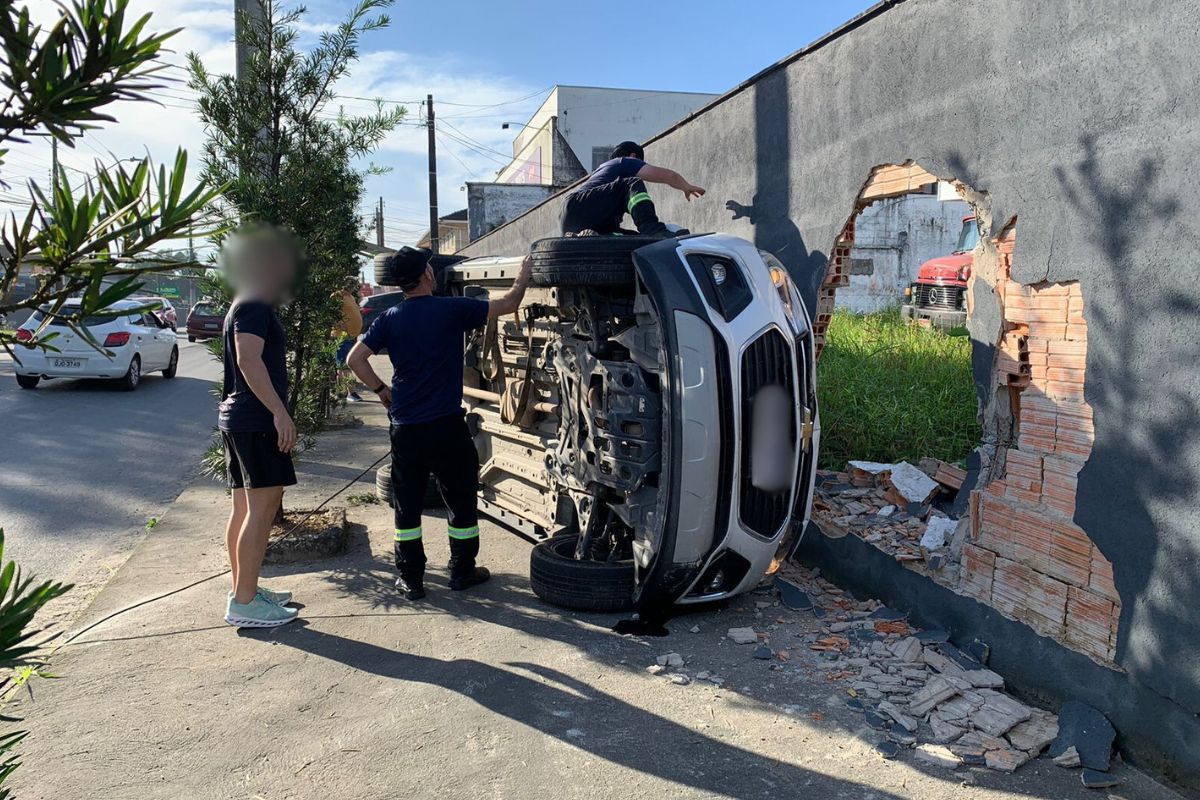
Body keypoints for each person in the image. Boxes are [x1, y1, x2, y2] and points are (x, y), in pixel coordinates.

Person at [347, 246, 533, 600]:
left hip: (406, 429)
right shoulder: (452, 309)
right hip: (447, 426)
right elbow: (508, 305)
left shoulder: (389, 318)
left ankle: (411, 579)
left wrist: (381, 389)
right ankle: (462, 571)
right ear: (428, 275)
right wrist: (524, 274)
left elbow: (356, 359)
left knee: (408, 504)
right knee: (460, 498)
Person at [218, 227, 301, 628]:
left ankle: (243, 589)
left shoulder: (243, 301)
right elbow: (248, 360)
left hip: (241, 419)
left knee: (243, 509)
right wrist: (279, 412)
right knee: (261, 509)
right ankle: (245, 603)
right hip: (256, 419)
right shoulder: (254, 304)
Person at [560, 140, 705, 237]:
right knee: (633, 183)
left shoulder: (603, 174)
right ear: (633, 155)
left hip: (572, 221)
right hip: (578, 205)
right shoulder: (626, 161)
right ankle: (652, 229)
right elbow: (668, 176)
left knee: (632, 240)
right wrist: (686, 186)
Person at [332, 281, 364, 402]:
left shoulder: (350, 296)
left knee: (343, 365)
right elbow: (332, 313)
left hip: (351, 336)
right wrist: (340, 325)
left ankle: (342, 392)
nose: (353, 287)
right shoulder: (337, 295)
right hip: (342, 336)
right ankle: (351, 392)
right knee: (344, 365)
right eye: (351, 285)